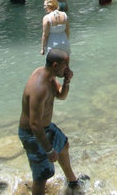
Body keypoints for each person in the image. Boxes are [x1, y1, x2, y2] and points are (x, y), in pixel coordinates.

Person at [18, 49, 82, 195]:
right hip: (32, 133)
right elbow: (34, 123)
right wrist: (48, 150)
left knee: (64, 144)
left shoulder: (50, 77)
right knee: (42, 176)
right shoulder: (39, 87)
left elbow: (61, 96)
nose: (68, 69)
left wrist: (67, 81)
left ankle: (72, 182)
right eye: (65, 65)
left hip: (45, 127)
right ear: (55, 65)